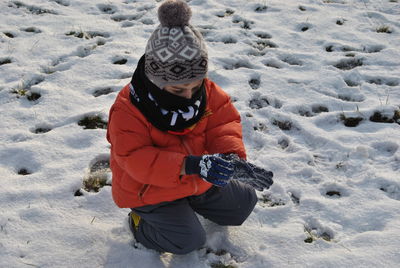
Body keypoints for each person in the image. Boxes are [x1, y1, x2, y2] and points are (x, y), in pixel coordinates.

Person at [106, 0, 258, 254]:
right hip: (149, 189)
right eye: (177, 89)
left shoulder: (207, 91)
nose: (189, 96)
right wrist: (190, 165)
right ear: (156, 80)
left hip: (195, 176)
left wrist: (231, 158)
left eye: (194, 85)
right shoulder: (128, 108)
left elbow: (224, 124)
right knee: (188, 240)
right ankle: (139, 223)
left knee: (243, 203)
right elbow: (135, 159)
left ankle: (191, 199)